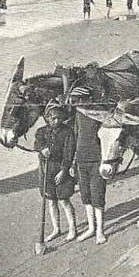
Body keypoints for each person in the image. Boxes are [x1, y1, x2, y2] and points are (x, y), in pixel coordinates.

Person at [34, 102, 77, 242]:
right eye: (53, 118)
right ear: (47, 118)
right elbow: (37, 144)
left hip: (60, 169)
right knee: (51, 201)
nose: (56, 121)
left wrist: (64, 171)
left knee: (64, 200)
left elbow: (69, 153)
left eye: (59, 118)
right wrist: (42, 148)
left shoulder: (67, 132)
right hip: (46, 170)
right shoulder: (41, 132)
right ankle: (56, 229)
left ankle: (72, 229)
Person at [71, 102, 108, 243]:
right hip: (81, 160)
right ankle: (91, 228)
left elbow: (107, 137)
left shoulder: (101, 113)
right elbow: (76, 135)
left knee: (97, 196)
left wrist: (105, 160)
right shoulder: (78, 112)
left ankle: (100, 231)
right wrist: (74, 162)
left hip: (96, 160)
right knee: (86, 196)